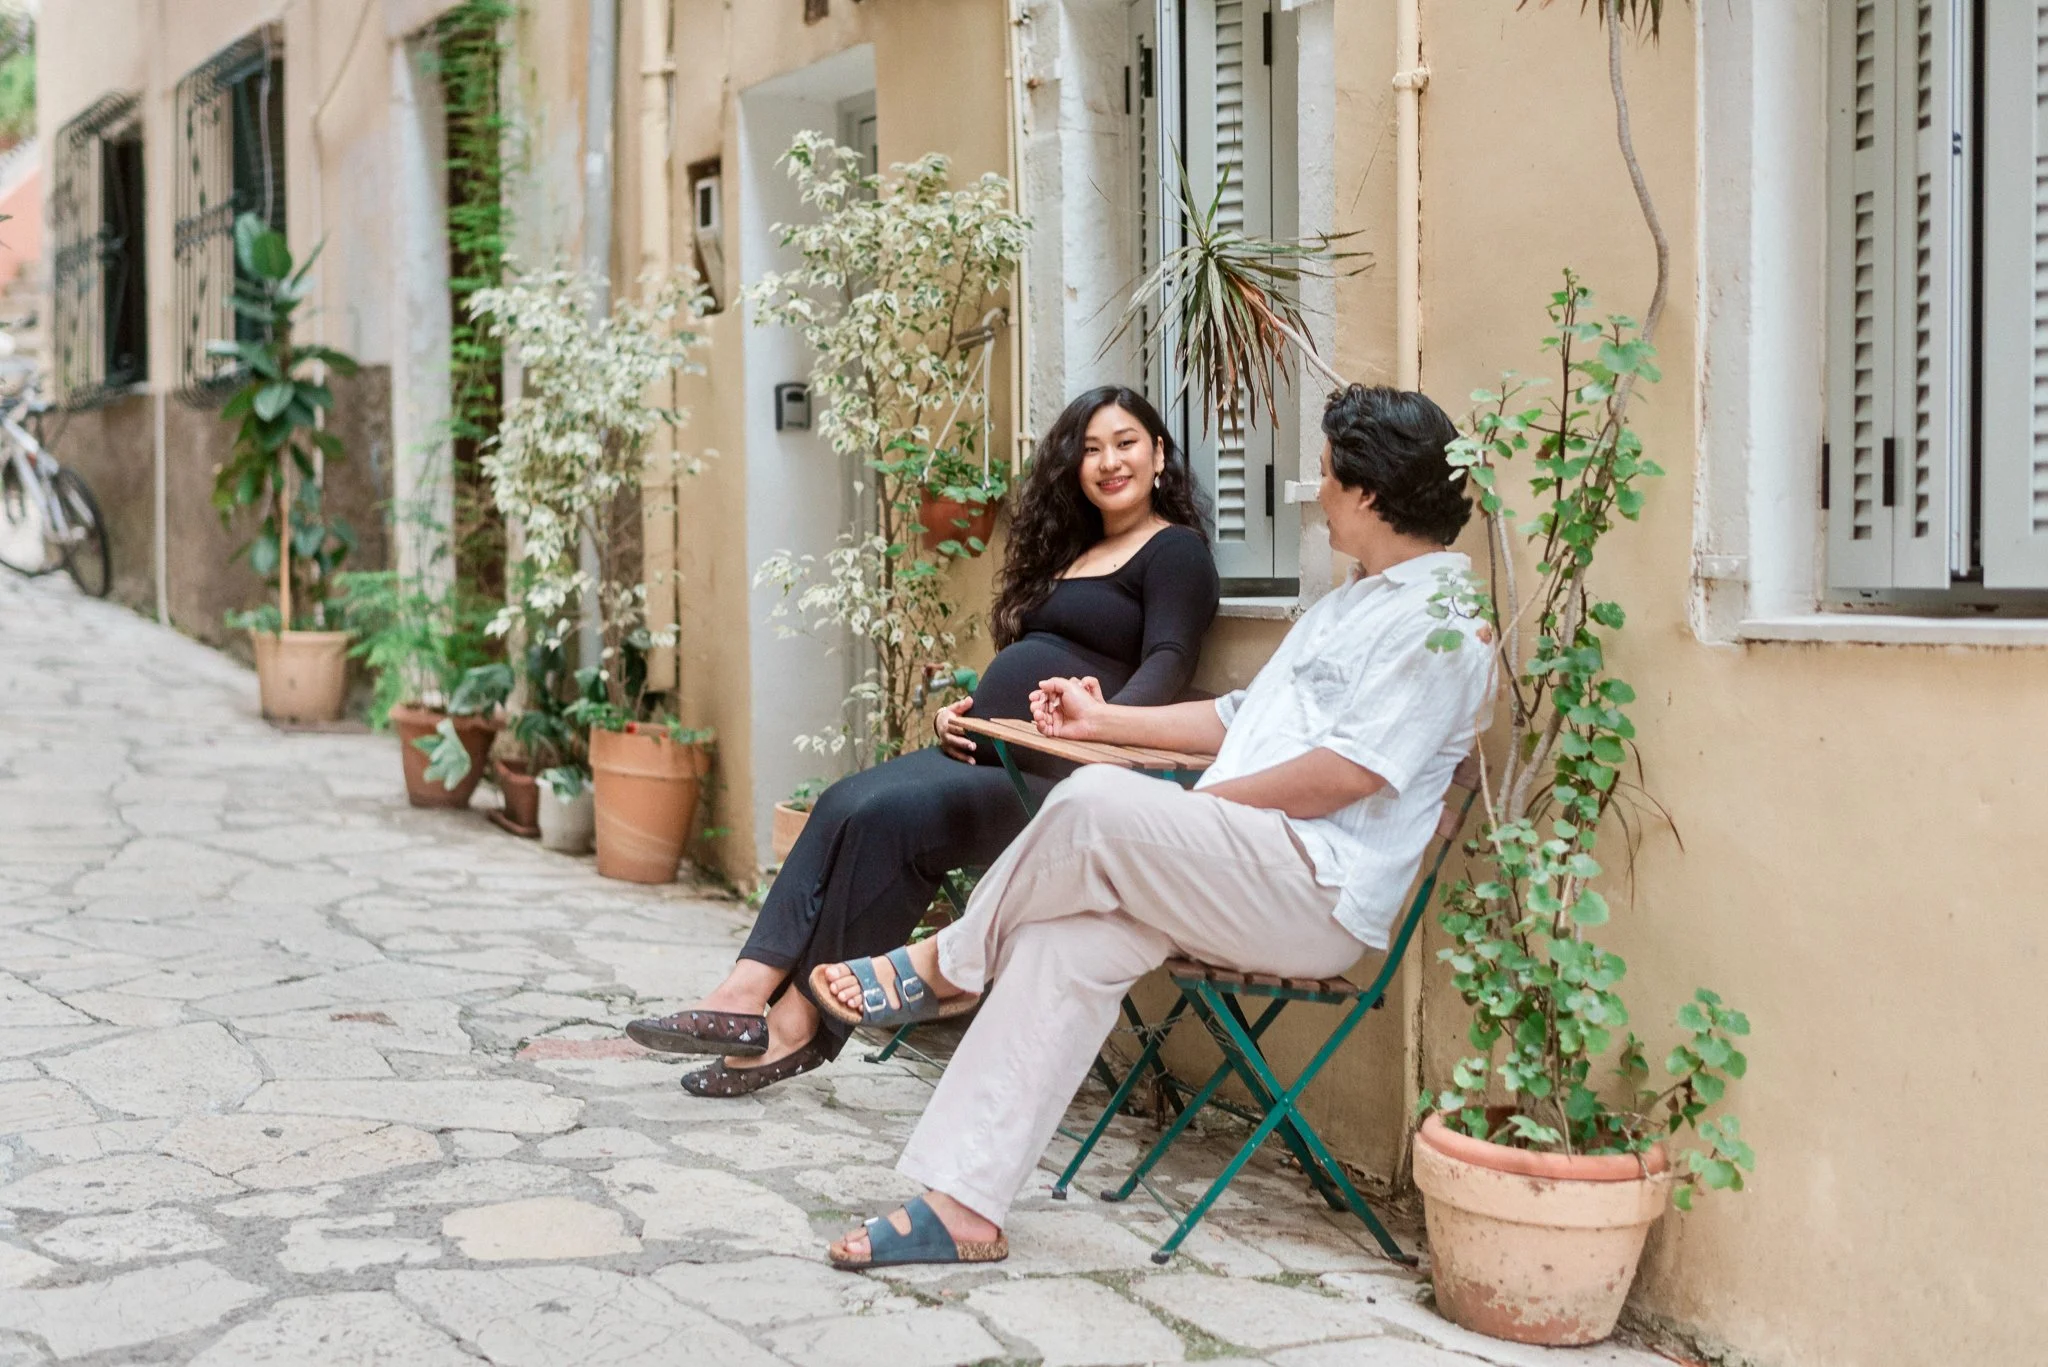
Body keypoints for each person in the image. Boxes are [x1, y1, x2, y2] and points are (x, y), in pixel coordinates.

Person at [805, 384, 1496, 1269]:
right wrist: (1102, 723)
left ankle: (946, 961)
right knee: (1067, 938)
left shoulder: (1440, 626)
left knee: (1093, 803)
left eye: (1324, 475)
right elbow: (1239, 718)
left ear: (1367, 491)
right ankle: (962, 1203)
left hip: (1314, 889)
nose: (1311, 493)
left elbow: (1342, 776)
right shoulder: (1349, 604)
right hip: (1245, 866)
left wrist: (1186, 812)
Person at [623, 385, 1220, 1095]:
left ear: (1158, 454)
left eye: (1125, 442)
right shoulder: (1081, 551)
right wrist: (964, 712)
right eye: (1090, 448)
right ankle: (748, 992)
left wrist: (1099, 727)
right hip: (986, 750)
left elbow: (1168, 664)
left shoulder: (1174, 551)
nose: (1108, 461)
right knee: (843, 800)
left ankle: (796, 1024)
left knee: (888, 818)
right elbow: (1039, 656)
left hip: (1061, 781)